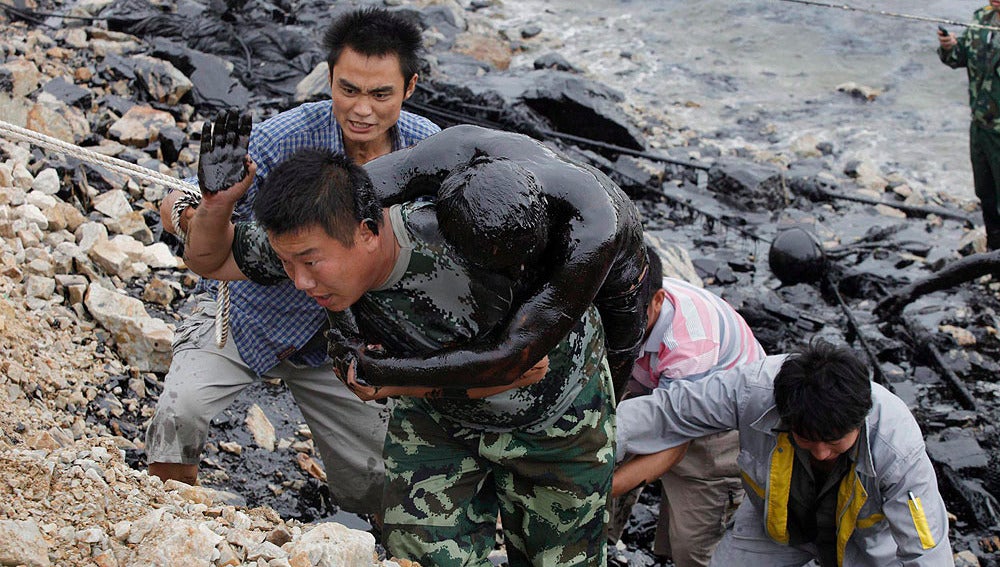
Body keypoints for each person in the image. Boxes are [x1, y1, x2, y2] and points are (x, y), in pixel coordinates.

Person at [182, 145, 620, 566]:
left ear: (368, 231)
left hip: (555, 419)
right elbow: (212, 258)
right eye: (288, 264)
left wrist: (389, 383)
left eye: (311, 264)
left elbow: (521, 368)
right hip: (439, 422)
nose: (299, 282)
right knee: (420, 556)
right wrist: (217, 204)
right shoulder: (306, 236)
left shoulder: (470, 248)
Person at [145, 6, 440, 518]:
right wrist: (208, 203)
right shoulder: (280, 139)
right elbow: (178, 207)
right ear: (328, 78)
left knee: (378, 479)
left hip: (347, 339)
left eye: (380, 94)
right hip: (248, 313)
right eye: (348, 90)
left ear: (409, 87)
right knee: (181, 409)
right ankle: (171, 514)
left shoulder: (429, 151)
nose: (362, 110)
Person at [352, 123, 650, 400]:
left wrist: (383, 370)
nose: (513, 275)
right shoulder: (452, 149)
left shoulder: (594, 233)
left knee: (609, 384)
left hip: (619, 278)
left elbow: (510, 358)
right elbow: (341, 195)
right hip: (516, 211)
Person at [615, 340, 954, 566]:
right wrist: (585, 438)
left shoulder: (898, 448)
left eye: (834, 442)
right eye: (807, 439)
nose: (821, 453)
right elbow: (668, 412)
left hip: (863, 548)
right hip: (773, 528)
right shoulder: (752, 391)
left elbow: (927, 550)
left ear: (860, 419)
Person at [609, 244, 765, 567]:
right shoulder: (620, 295)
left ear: (658, 301)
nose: (619, 322)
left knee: (694, 544)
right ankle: (604, 536)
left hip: (718, 422)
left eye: (630, 313)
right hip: (653, 384)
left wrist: (599, 490)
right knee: (603, 442)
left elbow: (675, 443)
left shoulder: (690, 346)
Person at [938, 5, 1000, 250]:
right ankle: (994, 258)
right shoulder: (981, 18)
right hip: (980, 127)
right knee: (986, 194)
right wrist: (949, 46)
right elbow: (960, 57)